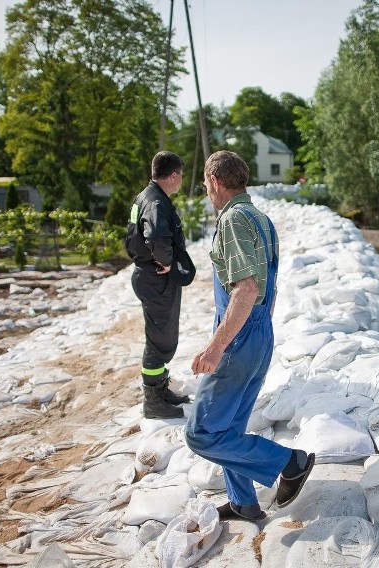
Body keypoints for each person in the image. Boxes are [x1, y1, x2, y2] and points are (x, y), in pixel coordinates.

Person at [185, 150, 315, 521]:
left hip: (240, 336)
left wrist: (216, 346)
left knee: (202, 434)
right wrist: (258, 331)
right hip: (259, 332)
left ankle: (291, 462)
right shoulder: (261, 218)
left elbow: (245, 289)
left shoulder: (233, 221)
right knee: (230, 427)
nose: (206, 192)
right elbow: (268, 287)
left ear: (215, 181)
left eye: (206, 185)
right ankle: (243, 501)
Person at [125, 151, 193, 419]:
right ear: (173, 175)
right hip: (156, 278)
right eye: (181, 176)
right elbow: (155, 234)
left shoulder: (145, 195)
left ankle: (161, 390)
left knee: (161, 336)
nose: (181, 181)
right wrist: (165, 261)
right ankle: (153, 401)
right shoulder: (155, 202)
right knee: (159, 341)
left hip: (148, 276)